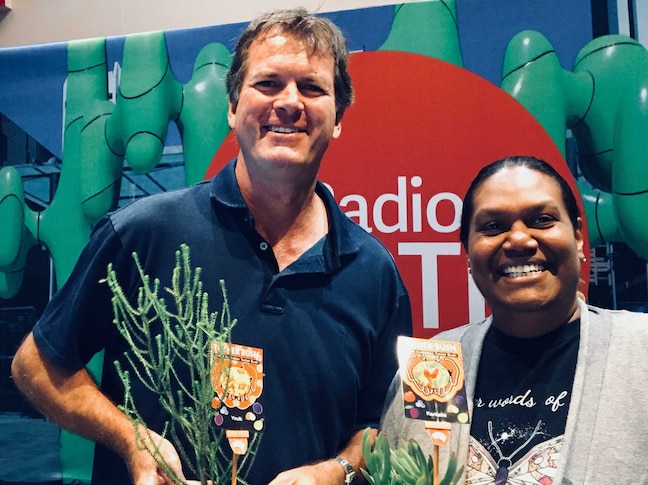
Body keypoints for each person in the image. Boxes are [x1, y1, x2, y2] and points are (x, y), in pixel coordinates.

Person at [12, 8, 412, 485]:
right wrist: (133, 440)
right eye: (267, 83)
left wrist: (339, 469)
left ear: (339, 117)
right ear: (231, 107)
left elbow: (381, 422)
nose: (289, 102)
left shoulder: (372, 270)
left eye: (312, 87)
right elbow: (36, 365)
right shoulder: (142, 232)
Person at [380, 156, 648, 484]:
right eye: (493, 226)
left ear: (579, 239)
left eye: (541, 220)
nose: (518, 240)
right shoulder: (431, 367)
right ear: (467, 251)